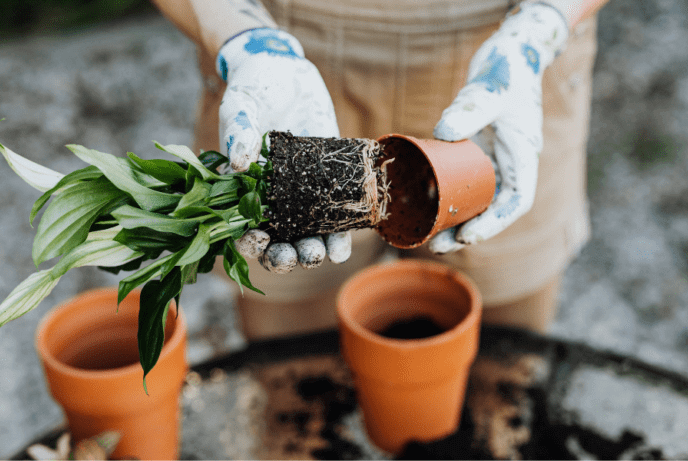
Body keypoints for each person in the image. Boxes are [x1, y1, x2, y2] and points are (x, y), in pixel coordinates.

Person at [151, 0, 610, 339]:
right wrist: (239, 36)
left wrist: (543, 25)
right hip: (283, 57)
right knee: (294, 377)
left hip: (500, 57)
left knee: (503, 371)